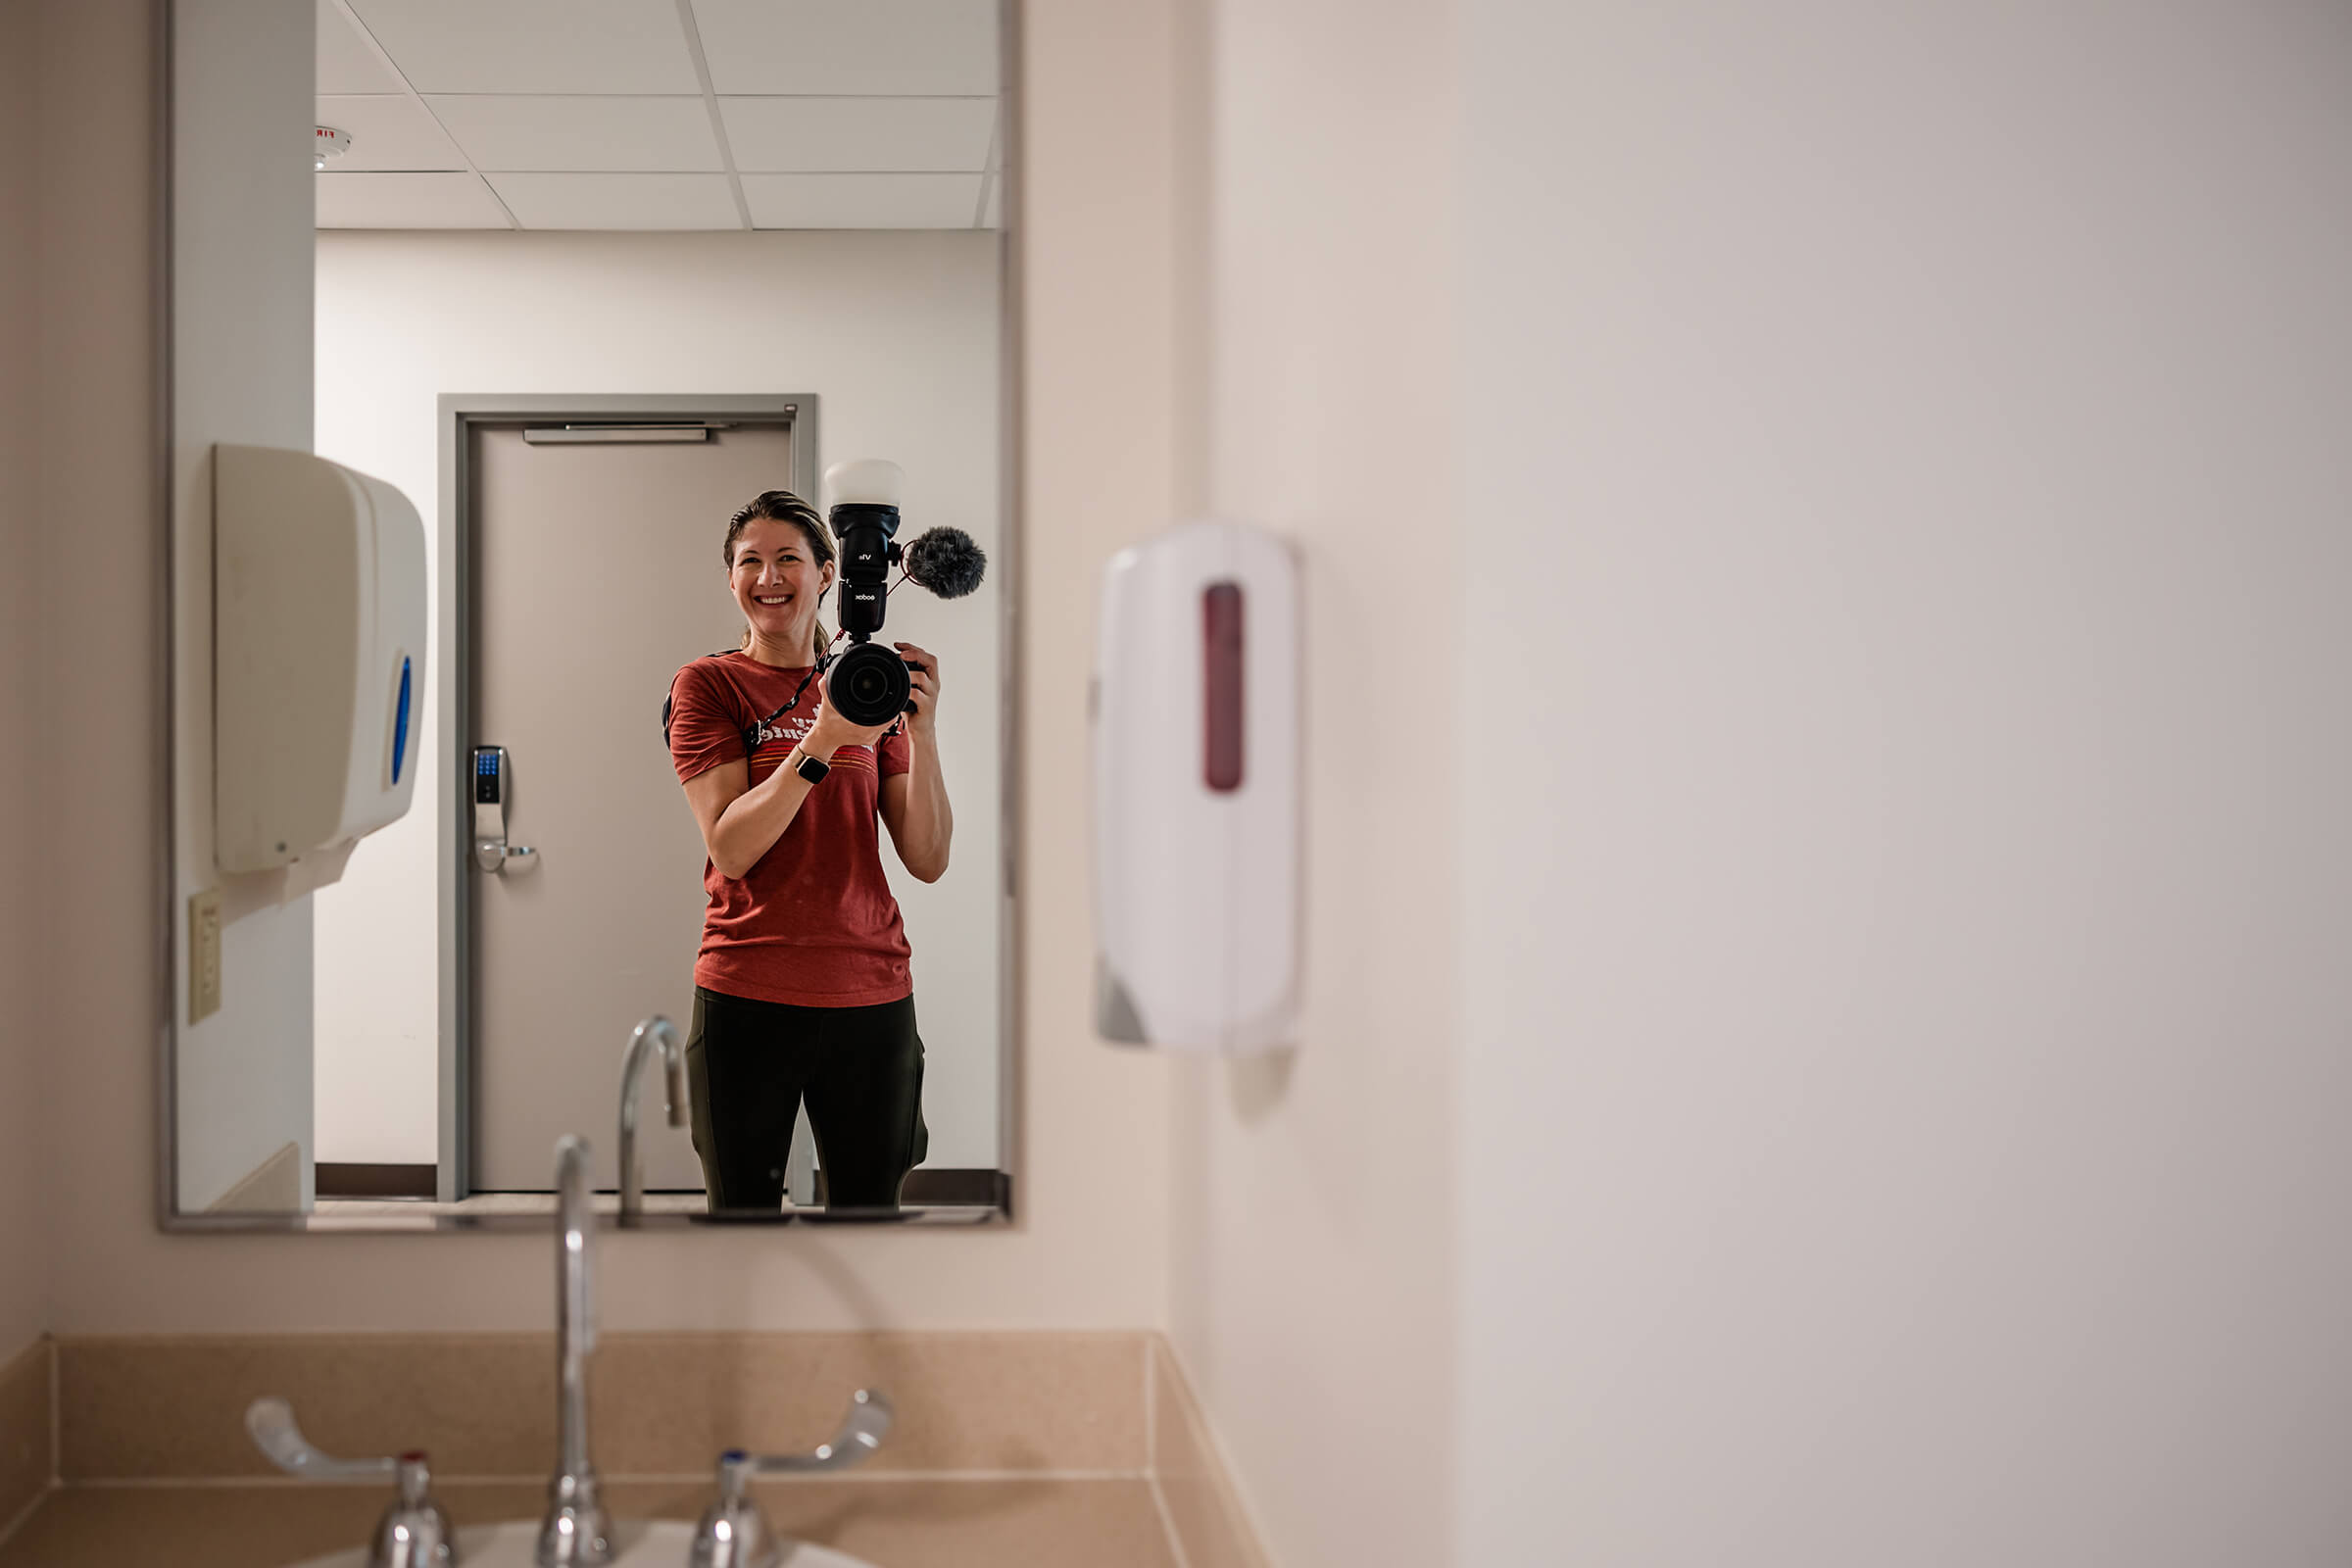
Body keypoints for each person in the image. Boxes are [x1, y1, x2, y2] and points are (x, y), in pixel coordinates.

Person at [663, 489, 954, 1210]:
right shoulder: (710, 685)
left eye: (788, 558)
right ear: (730, 579)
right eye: (750, 561)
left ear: (828, 573)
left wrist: (921, 732)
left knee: (870, 1216)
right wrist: (824, 740)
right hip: (747, 988)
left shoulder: (868, 687)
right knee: (743, 1220)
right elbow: (731, 847)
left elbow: (927, 857)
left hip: (872, 991)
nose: (769, 577)